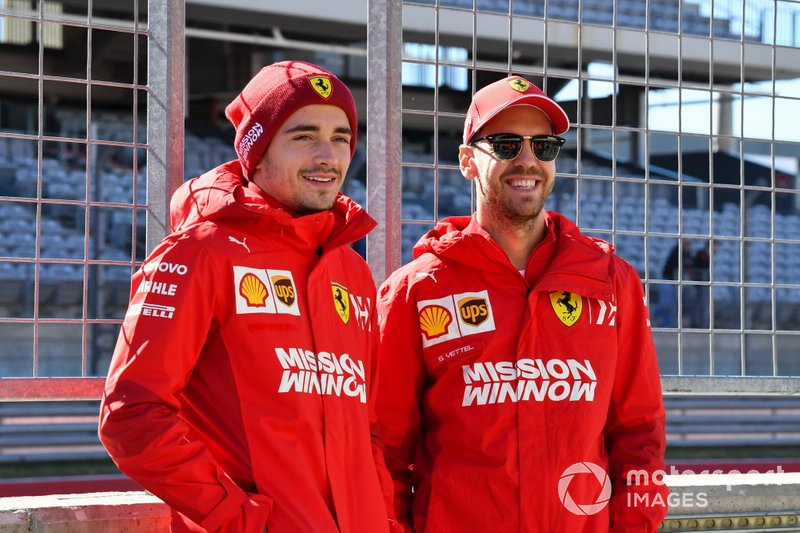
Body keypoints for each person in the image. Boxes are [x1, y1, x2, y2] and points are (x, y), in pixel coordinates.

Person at [99, 61, 398, 533]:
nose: (328, 155)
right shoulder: (201, 253)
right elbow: (131, 415)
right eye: (303, 136)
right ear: (256, 152)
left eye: (341, 137)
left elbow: (369, 431)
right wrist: (242, 521)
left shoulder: (354, 272)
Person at [375, 76, 668, 531]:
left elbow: (639, 435)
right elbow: (385, 449)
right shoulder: (416, 290)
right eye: (507, 144)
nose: (527, 160)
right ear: (468, 161)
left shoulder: (612, 282)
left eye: (544, 146)